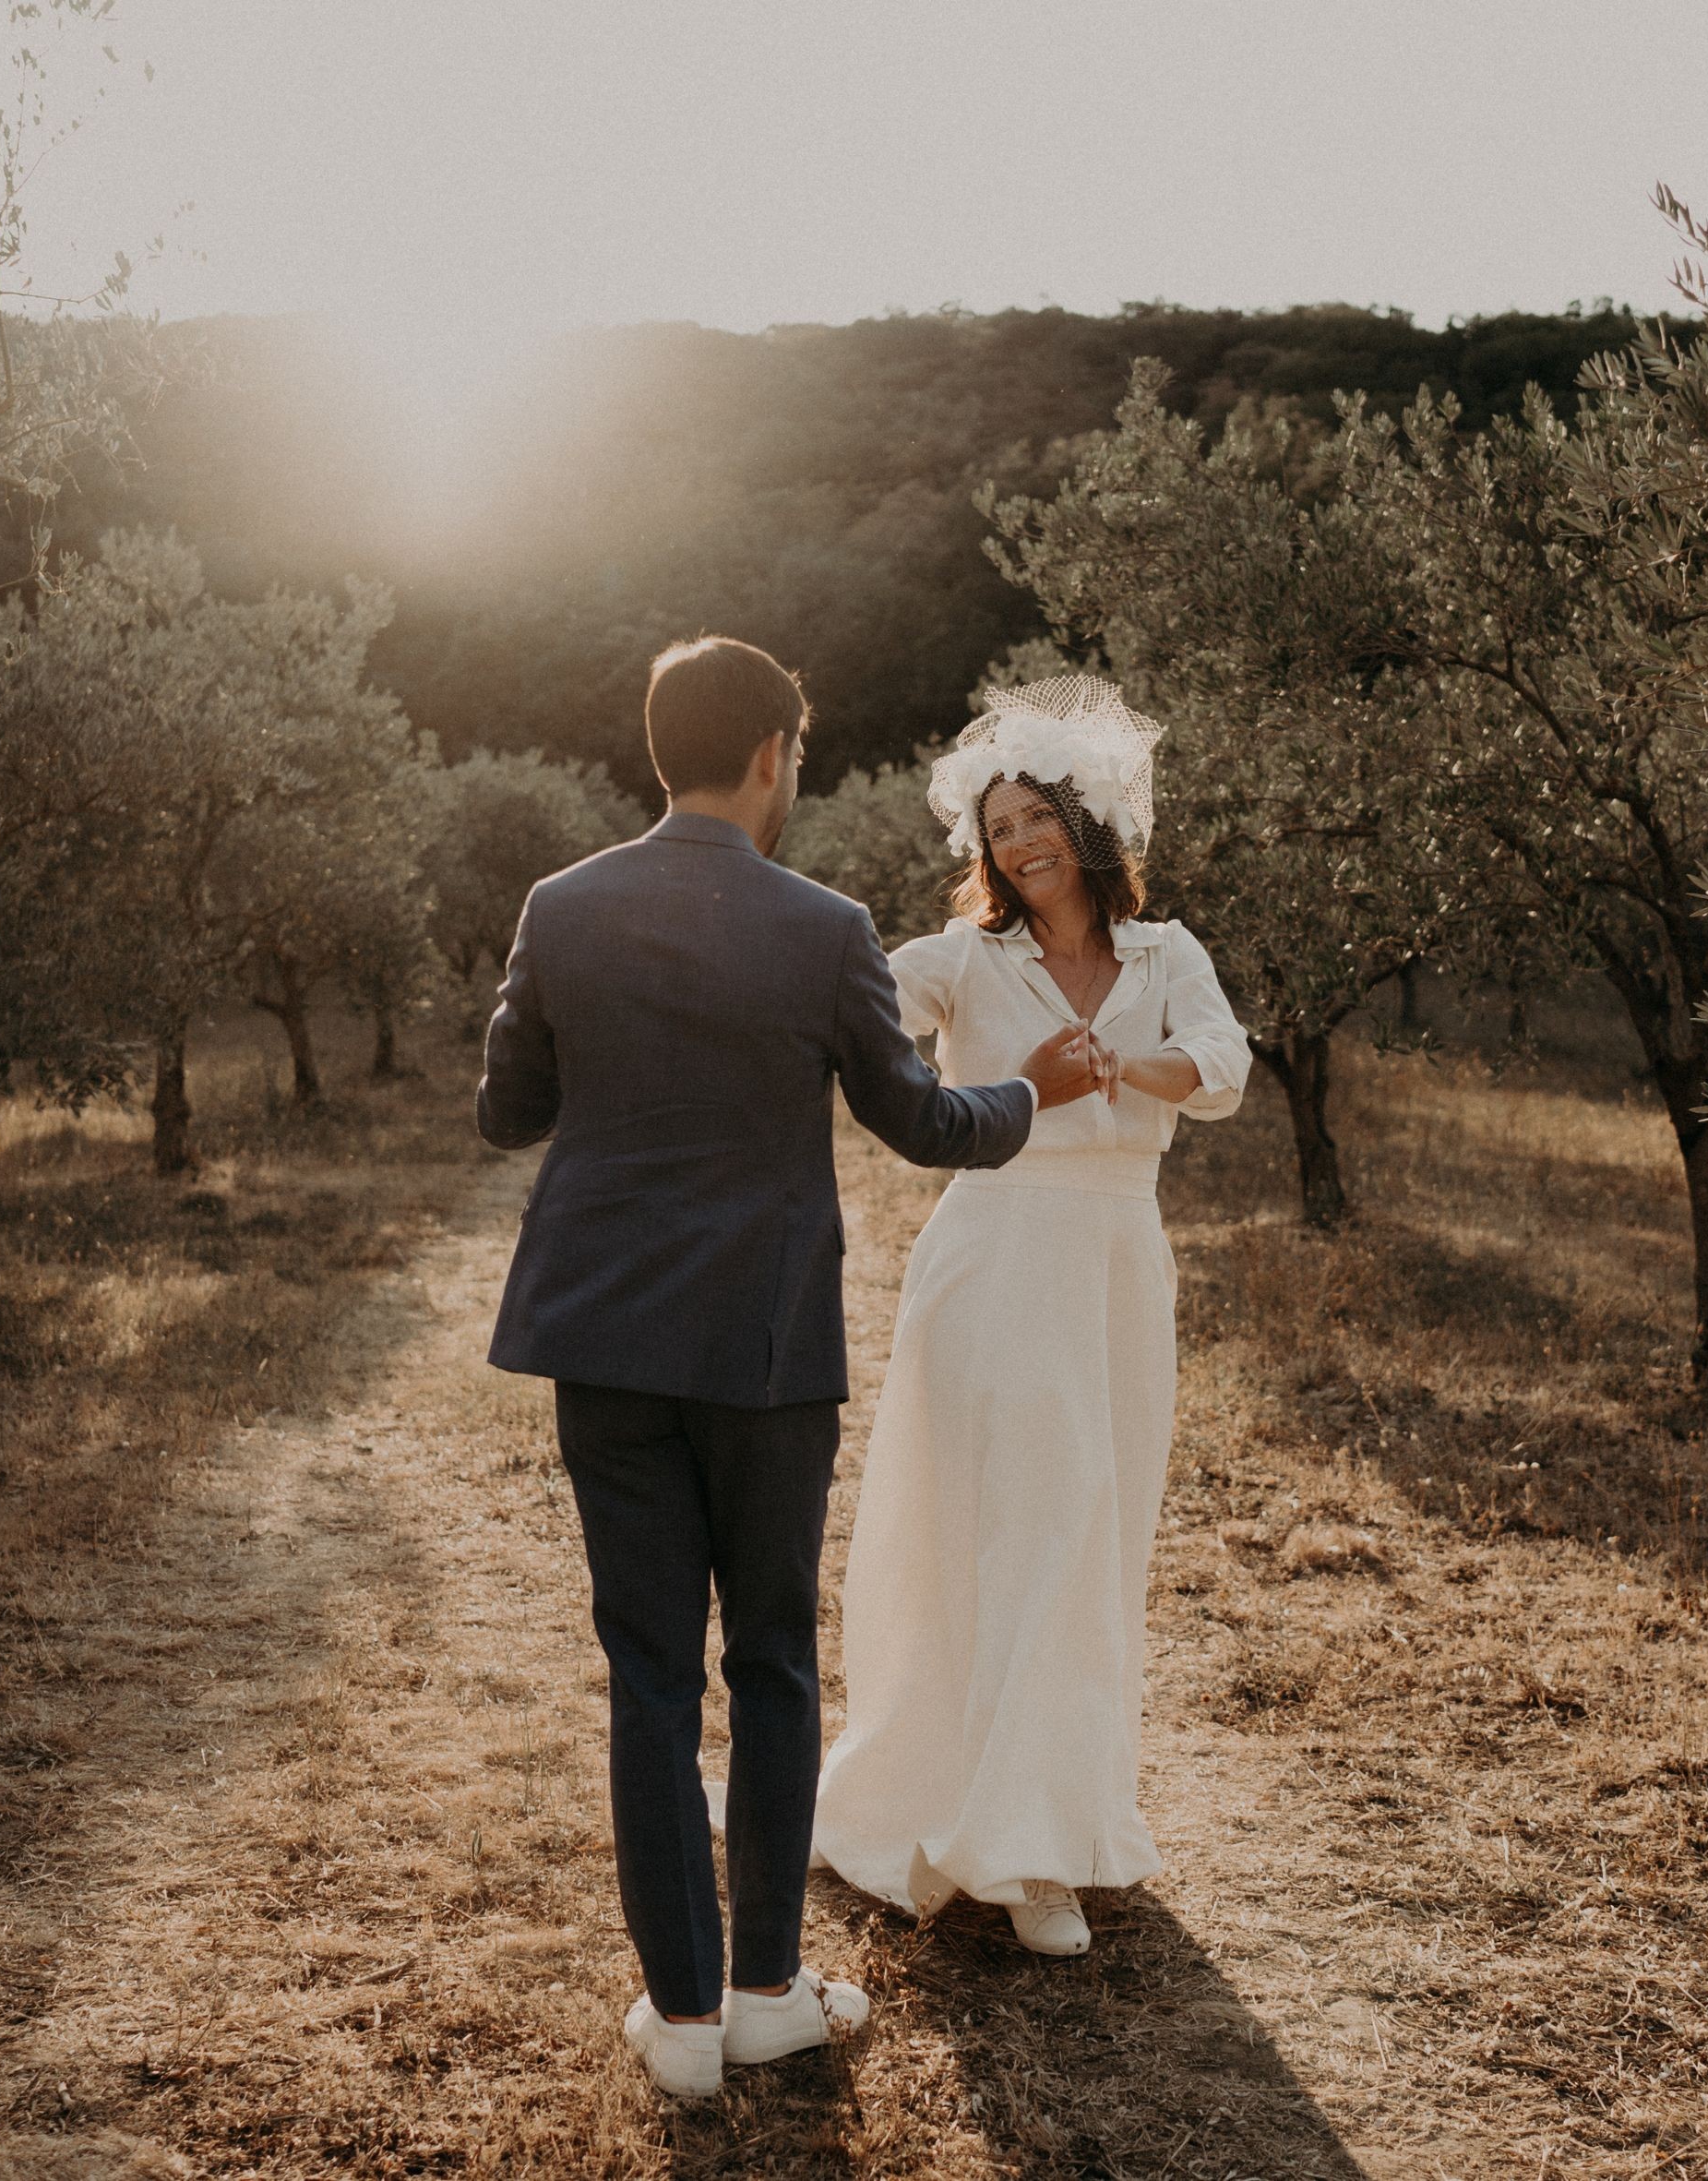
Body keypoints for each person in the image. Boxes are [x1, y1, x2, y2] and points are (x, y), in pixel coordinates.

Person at [476, 637, 1114, 2102]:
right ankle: (769, 1993)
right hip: (766, 1348)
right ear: (775, 754)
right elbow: (920, 1124)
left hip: (608, 1340)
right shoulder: (825, 926)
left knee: (645, 1669)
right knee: (769, 1658)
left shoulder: (559, 907)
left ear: (661, 753)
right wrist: (1033, 1090)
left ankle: (681, 2022)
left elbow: (509, 1110)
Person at [812, 675, 1250, 1958]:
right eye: (996, 828)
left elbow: (1220, 1071)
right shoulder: (966, 961)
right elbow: (861, 1026)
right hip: (996, 1254)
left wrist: (1126, 1064)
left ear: (1087, 820)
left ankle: (1055, 1823)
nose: (1015, 845)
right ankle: (996, 1842)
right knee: (1001, 1526)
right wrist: (1010, 1089)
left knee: (1090, 1534)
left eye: (1034, 819)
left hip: (1117, 1261)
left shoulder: (1168, 957)